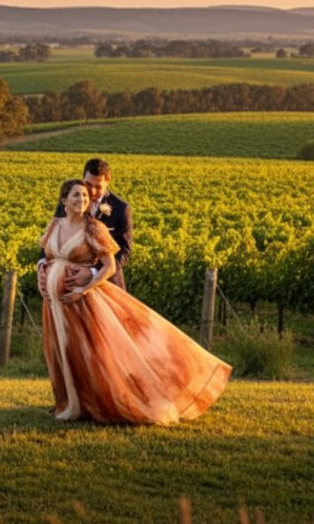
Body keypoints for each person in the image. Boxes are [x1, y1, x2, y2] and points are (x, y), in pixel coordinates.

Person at [38, 178, 231, 425]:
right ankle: (69, 403)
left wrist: (84, 289)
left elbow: (108, 267)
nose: (82, 200)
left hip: (81, 301)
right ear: (64, 200)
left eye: (85, 196)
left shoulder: (93, 228)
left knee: (87, 354)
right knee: (61, 352)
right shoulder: (55, 225)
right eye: (76, 195)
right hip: (54, 304)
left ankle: (95, 403)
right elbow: (46, 257)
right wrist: (42, 273)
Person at [43, 157, 132, 292]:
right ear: (83, 177)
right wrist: (41, 266)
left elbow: (125, 251)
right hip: (68, 282)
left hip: (107, 281)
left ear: (108, 181)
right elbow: (52, 237)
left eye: (98, 187)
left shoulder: (121, 208)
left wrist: (93, 272)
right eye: (88, 185)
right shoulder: (68, 202)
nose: (92, 191)